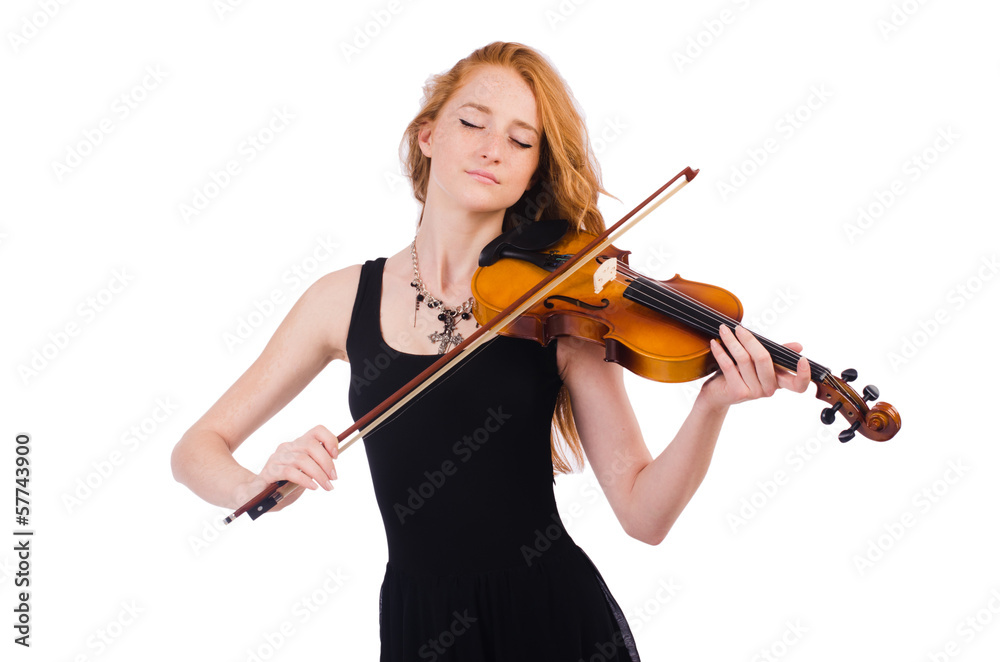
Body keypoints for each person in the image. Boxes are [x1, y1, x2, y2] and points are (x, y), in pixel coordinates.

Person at [171, 41, 811, 661]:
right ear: (428, 135)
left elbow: (645, 515)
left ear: (535, 168)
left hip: (550, 618)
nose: (491, 148)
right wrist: (251, 483)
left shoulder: (560, 305)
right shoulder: (340, 300)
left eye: (521, 140)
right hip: (420, 625)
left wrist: (711, 406)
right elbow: (195, 449)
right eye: (472, 122)